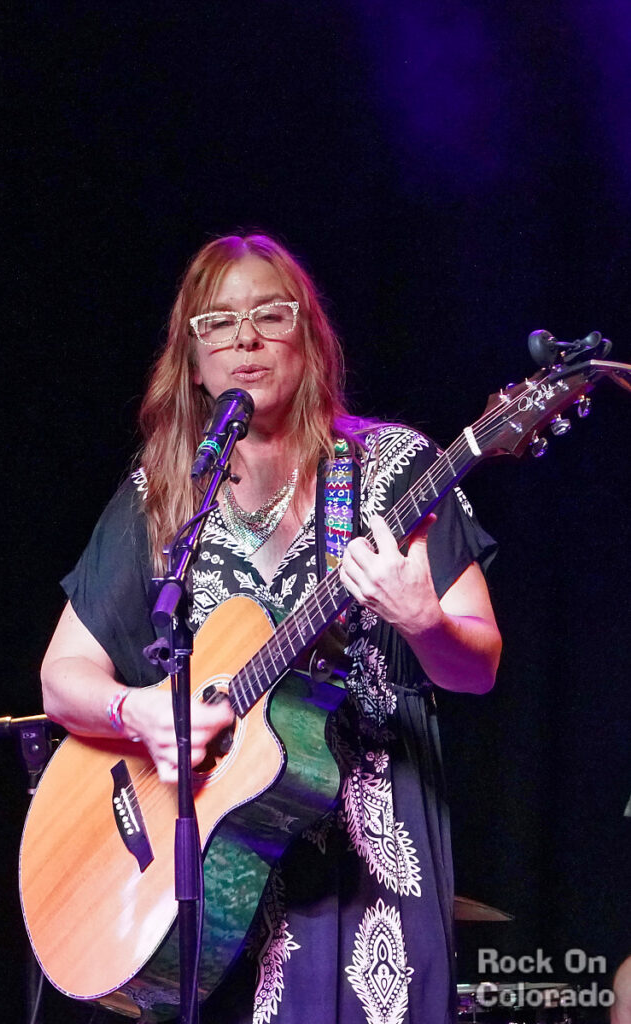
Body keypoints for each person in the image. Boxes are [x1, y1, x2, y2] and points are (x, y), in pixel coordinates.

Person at [41, 233, 502, 1024]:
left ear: (308, 338)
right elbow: (62, 677)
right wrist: (137, 711)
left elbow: (477, 666)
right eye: (217, 322)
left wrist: (422, 622)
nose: (245, 338)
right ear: (192, 361)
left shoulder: (392, 469)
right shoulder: (163, 495)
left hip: (368, 870)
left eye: (269, 314)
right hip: (213, 881)